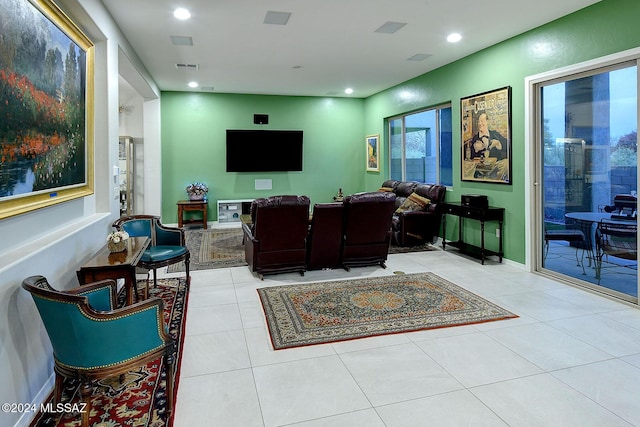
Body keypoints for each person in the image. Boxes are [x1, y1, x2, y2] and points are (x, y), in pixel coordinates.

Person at [463, 111, 509, 181]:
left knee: (506, 163)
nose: (480, 123)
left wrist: (498, 143)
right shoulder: (475, 138)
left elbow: (508, 145)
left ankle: (493, 180)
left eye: (482, 121)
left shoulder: (495, 134)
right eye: (479, 122)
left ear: (487, 122)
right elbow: (469, 157)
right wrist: (475, 151)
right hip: (480, 169)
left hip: (495, 168)